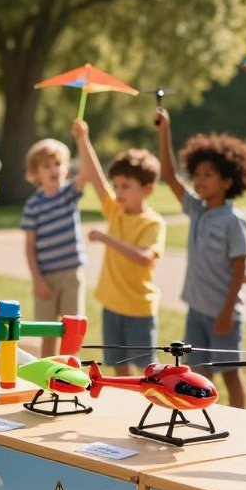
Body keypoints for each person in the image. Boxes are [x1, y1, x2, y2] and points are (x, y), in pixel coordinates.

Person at [155, 108, 246, 408]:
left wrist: (227, 312)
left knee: (228, 375)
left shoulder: (233, 220)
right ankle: (198, 418)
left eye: (208, 176)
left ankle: (240, 419)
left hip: (223, 316)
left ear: (228, 181)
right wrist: (164, 132)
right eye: (197, 174)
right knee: (195, 374)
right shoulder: (197, 210)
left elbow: (240, 268)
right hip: (197, 312)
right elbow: (169, 176)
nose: (199, 181)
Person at [72, 119, 165, 374]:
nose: (118, 191)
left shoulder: (153, 222)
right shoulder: (115, 210)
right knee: (119, 368)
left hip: (139, 310)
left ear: (147, 189)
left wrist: (107, 238)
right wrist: (83, 139)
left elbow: (145, 258)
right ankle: (125, 410)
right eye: (117, 185)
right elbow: (95, 177)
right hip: (111, 306)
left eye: (126, 186)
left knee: (147, 371)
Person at [21, 135, 88, 356]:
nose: (53, 169)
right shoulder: (33, 205)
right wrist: (38, 279)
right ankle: (47, 375)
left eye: (58, 163)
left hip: (71, 275)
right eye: (46, 166)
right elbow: (30, 247)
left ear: (67, 167)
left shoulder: (70, 193)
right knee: (47, 332)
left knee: (72, 330)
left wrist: (81, 139)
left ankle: (69, 374)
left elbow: (87, 172)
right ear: (35, 173)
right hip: (45, 279)